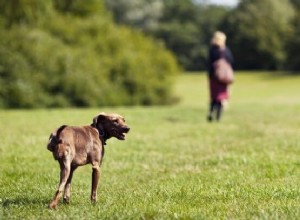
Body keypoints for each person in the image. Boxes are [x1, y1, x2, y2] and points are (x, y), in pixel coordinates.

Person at [207, 31, 234, 122]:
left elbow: (209, 63)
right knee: (221, 97)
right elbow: (230, 61)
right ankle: (218, 116)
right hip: (223, 78)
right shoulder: (225, 50)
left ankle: (211, 112)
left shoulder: (212, 50)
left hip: (213, 77)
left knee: (214, 97)